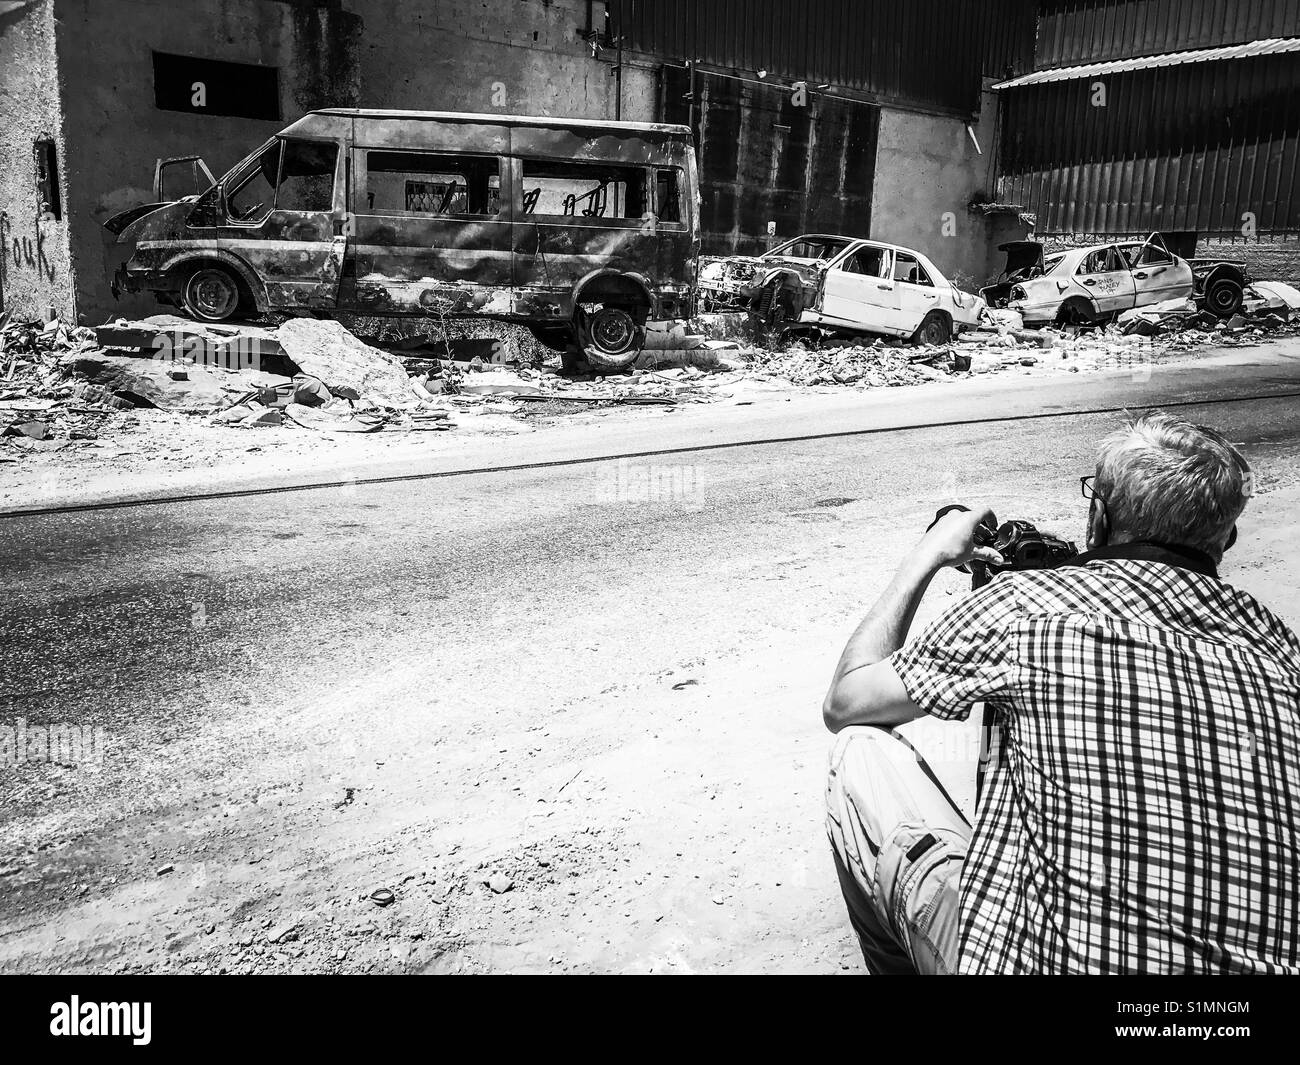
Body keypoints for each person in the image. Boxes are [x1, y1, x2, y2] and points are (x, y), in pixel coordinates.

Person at [822, 411, 1300, 974]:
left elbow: (846, 700)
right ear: (1227, 536)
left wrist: (928, 554)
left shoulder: (1025, 609)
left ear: (1097, 518)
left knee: (859, 751)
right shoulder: (1280, 648)